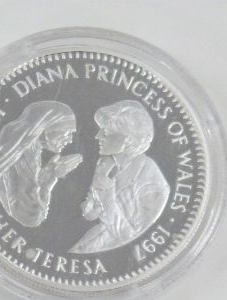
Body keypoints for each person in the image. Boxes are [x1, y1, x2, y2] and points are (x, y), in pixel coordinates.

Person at [70, 100, 170, 254]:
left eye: (106, 132)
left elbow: (134, 238)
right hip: (93, 240)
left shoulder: (150, 179)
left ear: (128, 139)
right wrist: (93, 202)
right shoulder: (105, 163)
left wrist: (107, 198)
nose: (97, 136)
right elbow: (89, 214)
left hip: (115, 250)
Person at [0, 101, 82, 227]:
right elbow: (30, 216)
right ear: (46, 125)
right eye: (67, 131)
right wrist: (49, 178)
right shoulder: (22, 154)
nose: (70, 140)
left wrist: (48, 176)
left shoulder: (31, 150)